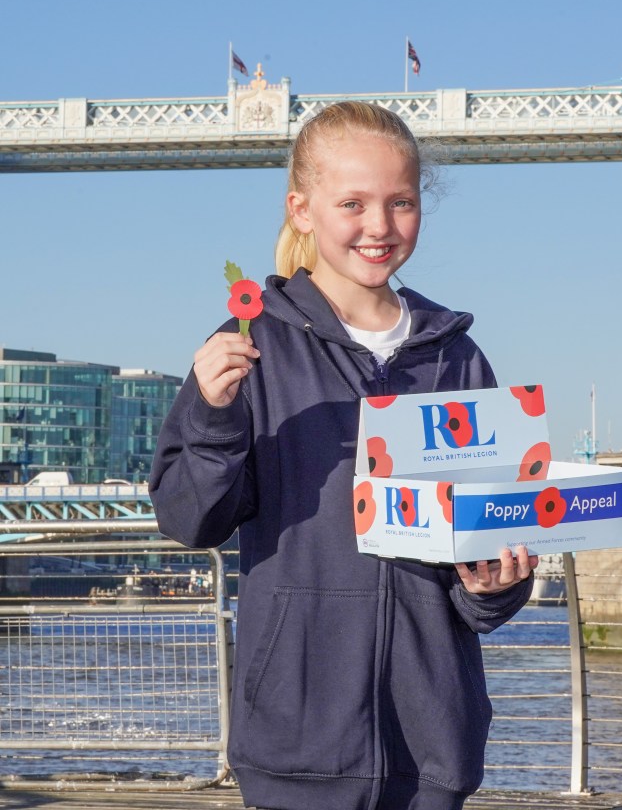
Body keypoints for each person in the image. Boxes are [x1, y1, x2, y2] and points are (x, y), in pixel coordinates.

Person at [149, 101, 538, 810]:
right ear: (301, 209)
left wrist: (495, 586)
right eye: (353, 203)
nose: (380, 227)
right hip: (296, 744)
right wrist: (211, 414)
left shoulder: (455, 357)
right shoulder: (250, 345)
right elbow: (188, 519)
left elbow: (479, 563)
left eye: (402, 203)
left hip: (431, 745)